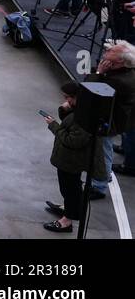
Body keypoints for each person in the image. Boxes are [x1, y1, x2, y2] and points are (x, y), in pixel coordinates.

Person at [41, 81, 106, 233]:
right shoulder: (80, 110)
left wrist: (53, 126)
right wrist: (64, 109)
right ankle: (68, 208)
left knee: (71, 189)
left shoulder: (86, 117)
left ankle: (67, 221)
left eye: (68, 97)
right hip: (69, 159)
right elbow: (69, 123)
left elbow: (73, 140)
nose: (66, 100)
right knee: (68, 188)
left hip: (73, 160)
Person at [88, 41, 135, 196]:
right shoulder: (123, 72)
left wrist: (99, 73)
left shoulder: (118, 81)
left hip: (109, 121)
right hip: (118, 117)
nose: (107, 50)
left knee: (103, 151)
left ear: (120, 60)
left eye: (112, 50)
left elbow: (91, 92)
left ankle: (99, 186)